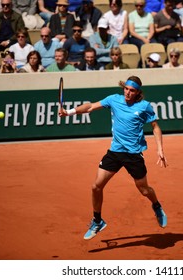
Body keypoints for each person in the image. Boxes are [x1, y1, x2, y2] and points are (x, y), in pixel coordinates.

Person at [58, 75, 168, 240]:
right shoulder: (113, 99)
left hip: (134, 155)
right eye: (126, 89)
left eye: (132, 91)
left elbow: (155, 127)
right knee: (96, 186)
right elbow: (90, 107)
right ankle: (97, 221)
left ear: (138, 92)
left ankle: (157, 205)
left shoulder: (144, 106)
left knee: (144, 190)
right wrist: (70, 112)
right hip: (115, 152)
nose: (128, 93)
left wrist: (160, 148)